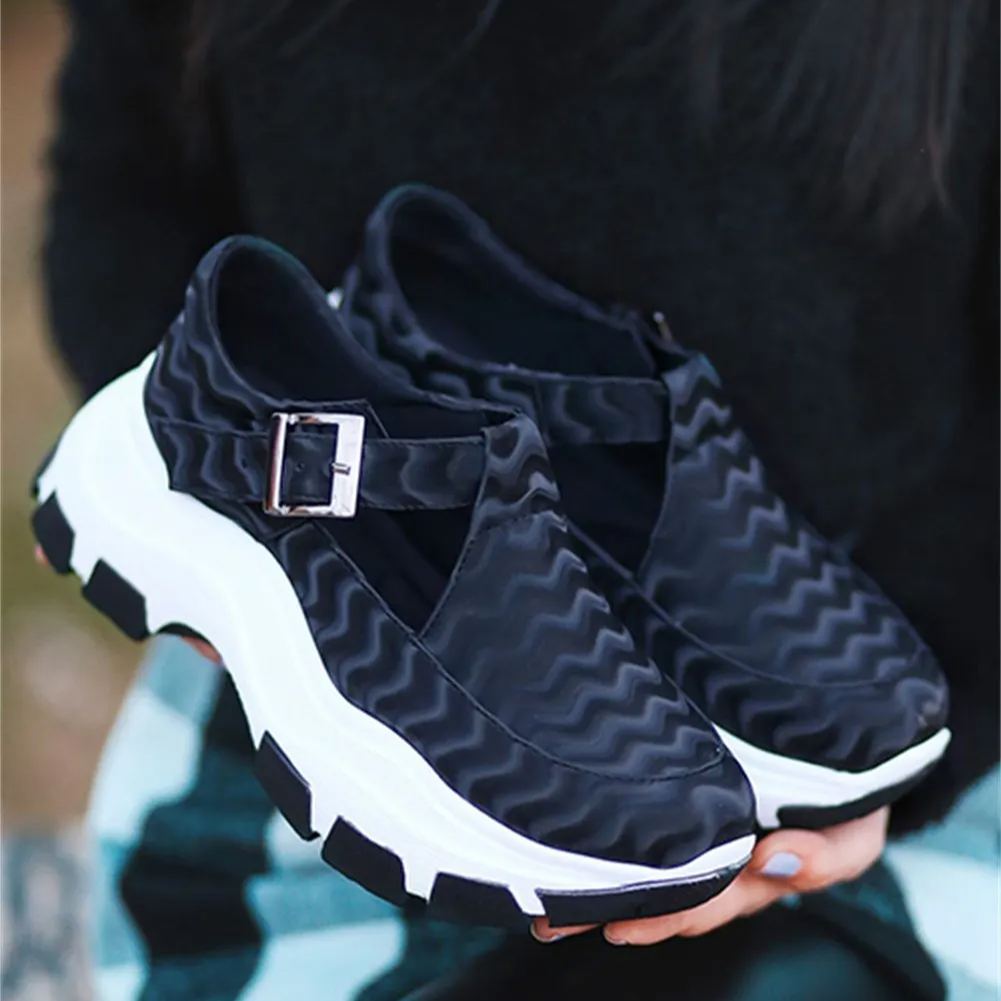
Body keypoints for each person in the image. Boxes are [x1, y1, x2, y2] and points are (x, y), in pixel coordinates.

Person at [43, 1, 998, 998]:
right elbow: (125, 190)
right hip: (369, 600)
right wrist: (215, 489)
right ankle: (225, 454)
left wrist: (961, 701)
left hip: (907, 627)